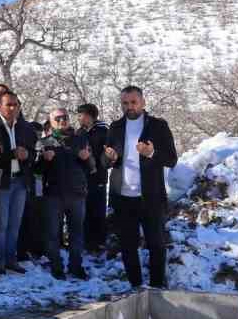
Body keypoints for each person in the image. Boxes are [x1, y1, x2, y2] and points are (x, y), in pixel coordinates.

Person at [104, 86, 178, 290]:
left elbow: (172, 160)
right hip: (123, 197)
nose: (129, 107)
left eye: (133, 102)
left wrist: (153, 153)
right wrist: (109, 158)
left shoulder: (158, 126)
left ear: (143, 102)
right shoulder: (116, 127)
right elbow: (106, 160)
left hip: (150, 196)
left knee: (156, 244)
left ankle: (156, 287)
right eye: (125, 103)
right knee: (127, 246)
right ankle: (135, 286)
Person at [38, 108, 93, 281]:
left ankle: (76, 266)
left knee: (77, 233)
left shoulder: (80, 139)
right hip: (54, 193)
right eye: (58, 118)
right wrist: (44, 160)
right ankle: (56, 266)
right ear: (51, 121)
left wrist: (86, 158)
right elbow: (37, 170)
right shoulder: (44, 142)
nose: (62, 121)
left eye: (65, 118)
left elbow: (91, 167)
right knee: (53, 233)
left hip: (77, 193)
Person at [0, 90, 37, 276]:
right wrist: (11, 154)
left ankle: (12, 259)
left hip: (20, 179)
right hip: (1, 180)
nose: (12, 108)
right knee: (1, 224)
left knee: (15, 224)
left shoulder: (25, 128)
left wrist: (27, 155)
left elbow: (35, 152)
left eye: (15, 104)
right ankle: (0, 261)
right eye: (8, 104)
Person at [76, 103, 109, 254]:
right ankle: (86, 242)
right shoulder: (79, 133)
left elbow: (108, 153)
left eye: (81, 115)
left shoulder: (103, 131)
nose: (79, 118)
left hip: (98, 177)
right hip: (82, 178)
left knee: (98, 210)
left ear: (89, 116)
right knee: (85, 211)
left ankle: (99, 242)